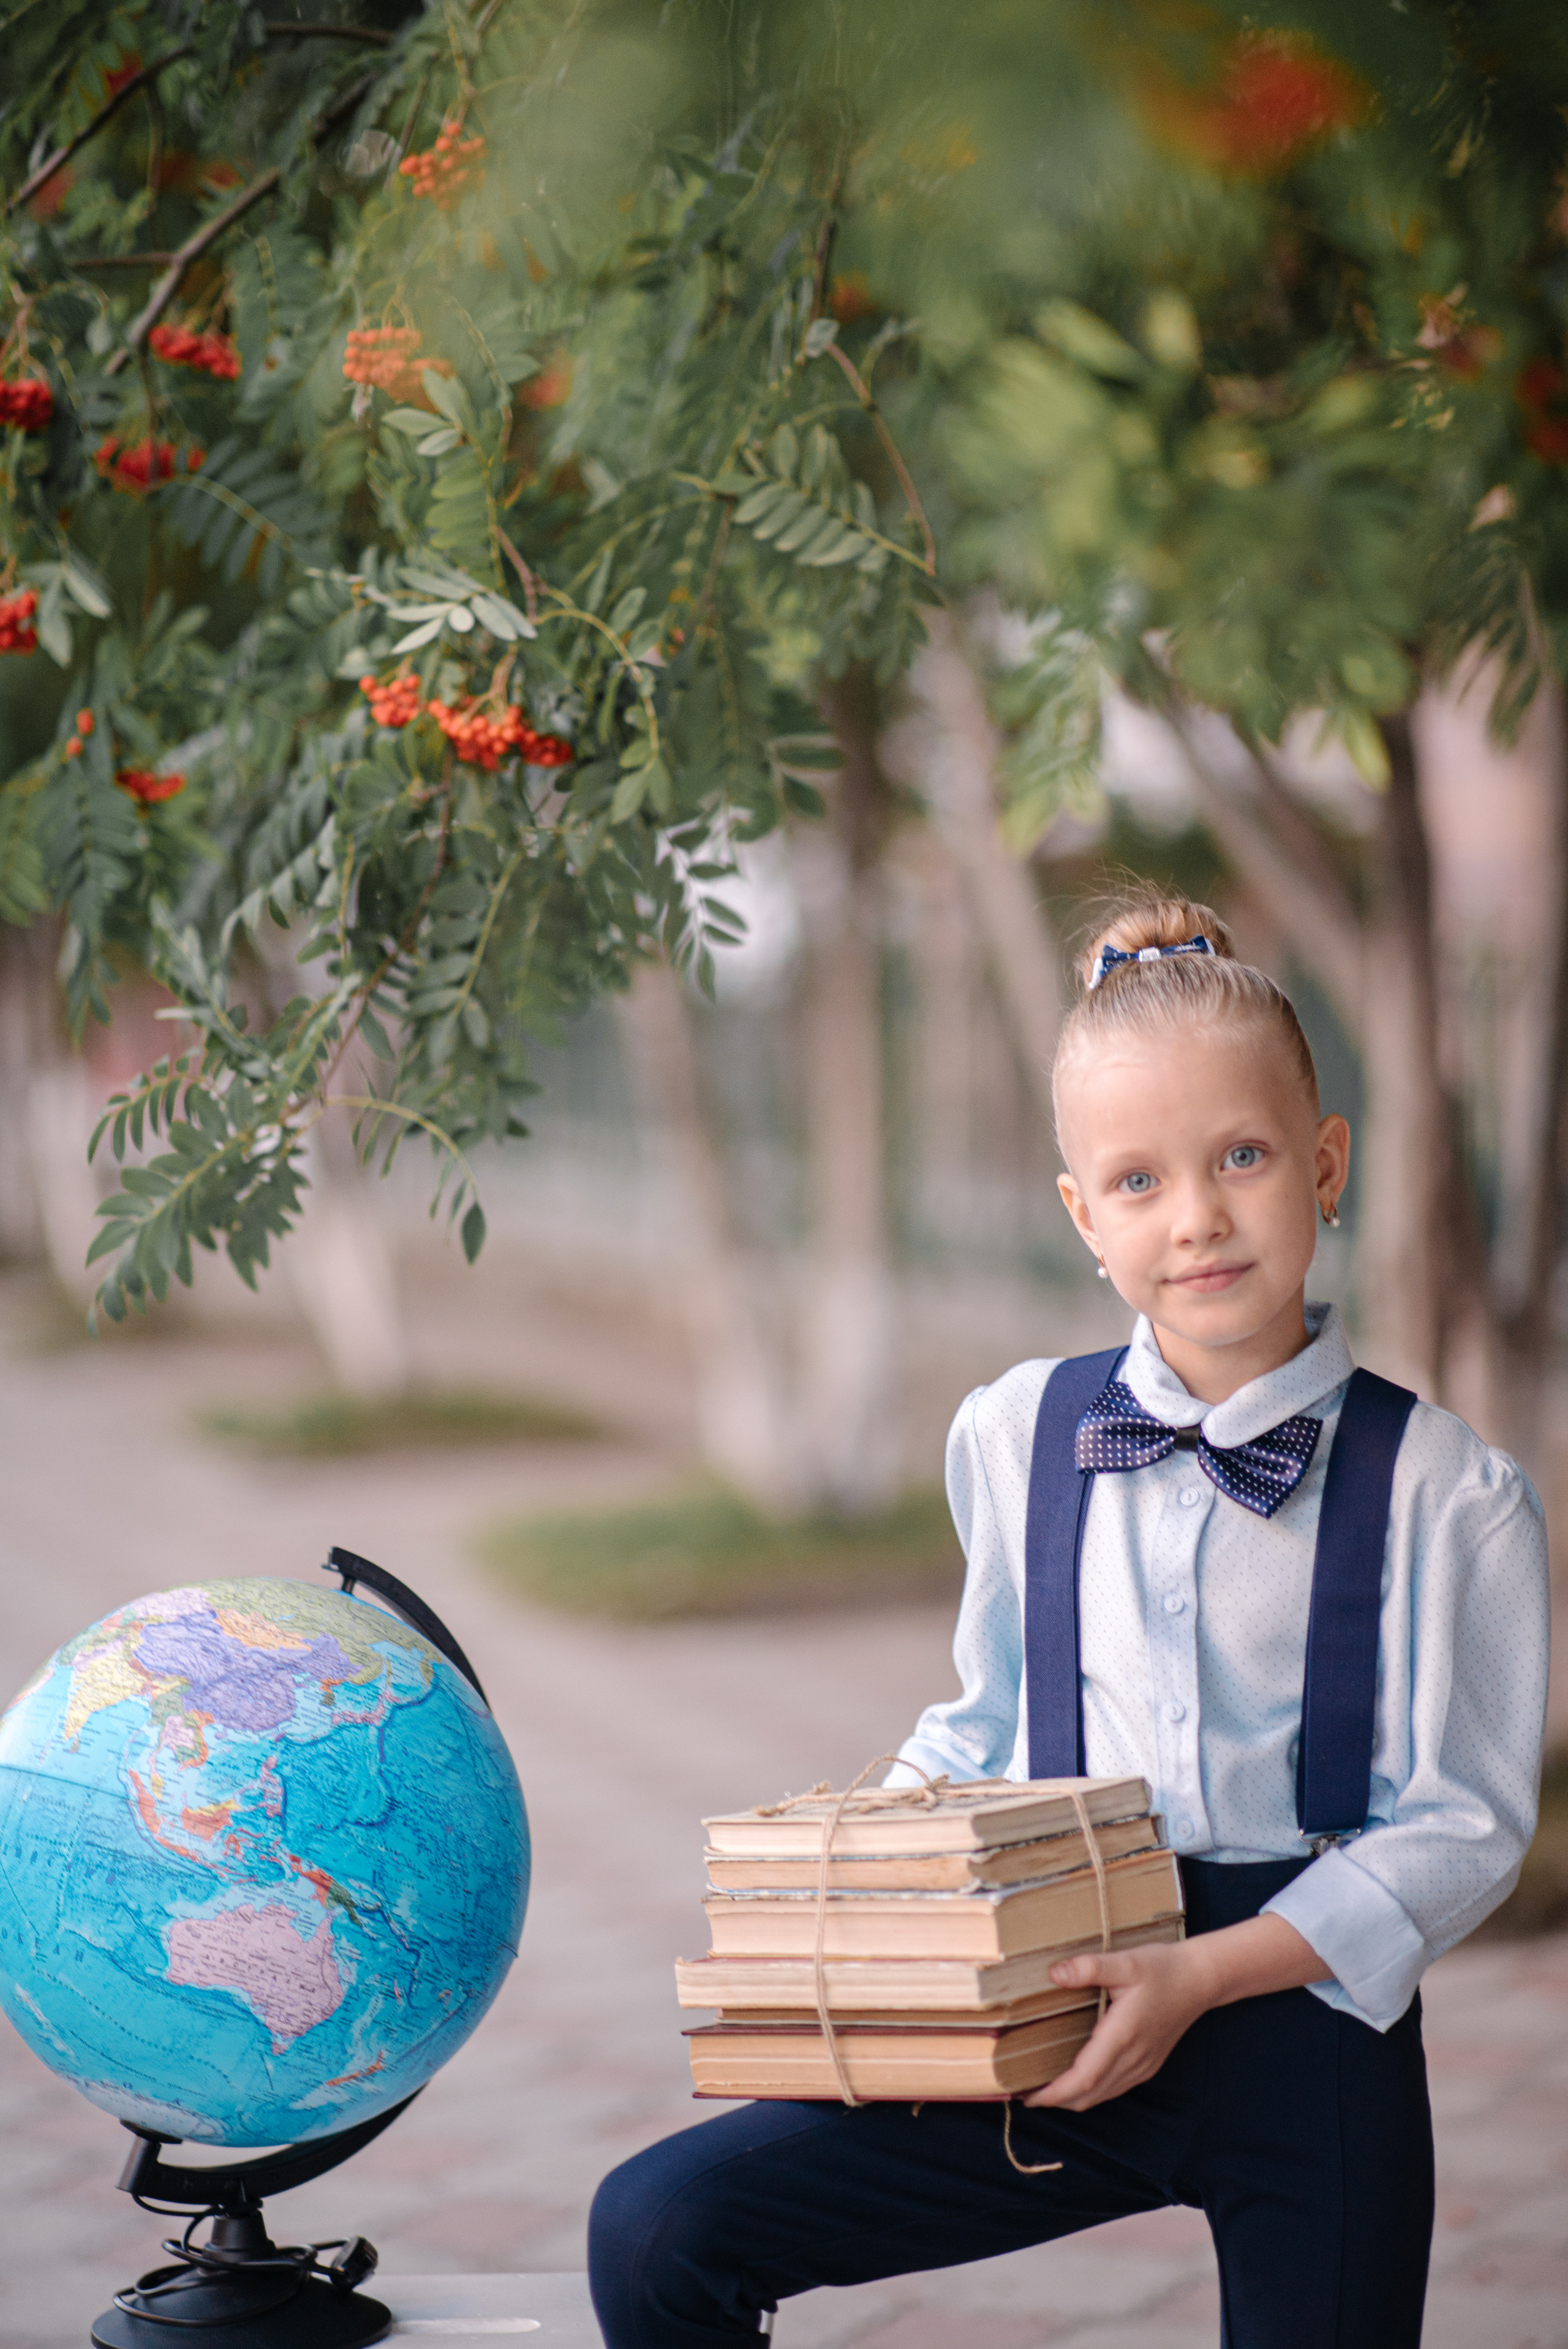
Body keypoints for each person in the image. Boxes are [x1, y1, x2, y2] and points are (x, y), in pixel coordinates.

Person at [588, 893, 1550, 2349]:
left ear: (1325, 1163)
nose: (1199, 1218)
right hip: (1054, 1996)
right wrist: (866, 1859)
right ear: (1079, 1214)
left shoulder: (1444, 1490)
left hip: (1308, 2034)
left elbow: (1465, 1827)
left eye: (1241, 1157)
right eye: (1139, 1180)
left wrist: (1206, 1974)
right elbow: (986, 1715)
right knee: (660, 2230)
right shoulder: (1015, 1432)